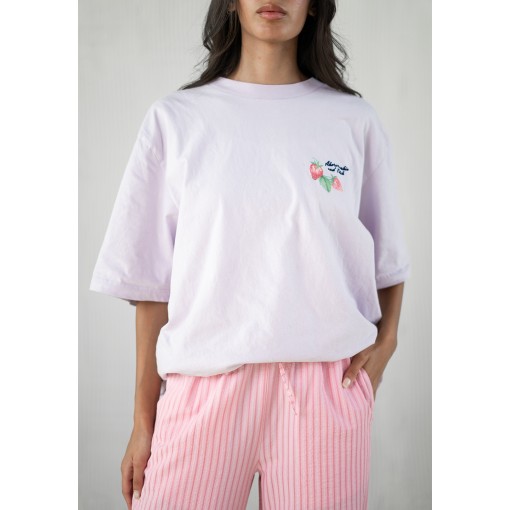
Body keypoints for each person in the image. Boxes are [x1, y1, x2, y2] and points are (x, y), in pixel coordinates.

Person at [89, 0, 411, 508]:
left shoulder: (353, 121)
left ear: (314, 6)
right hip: (203, 386)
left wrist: (387, 341)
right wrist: (143, 421)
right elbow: (152, 285)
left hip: (323, 390)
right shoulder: (176, 120)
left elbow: (386, 258)